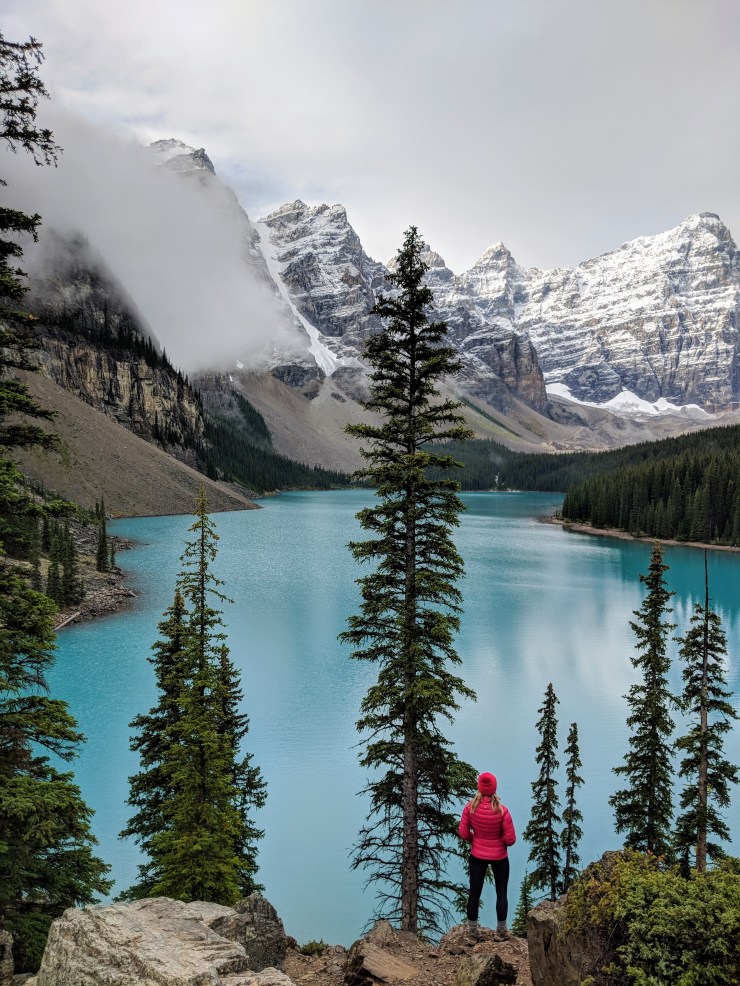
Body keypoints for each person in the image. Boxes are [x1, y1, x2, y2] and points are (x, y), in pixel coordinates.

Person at [458, 771, 516, 940]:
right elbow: (511, 839)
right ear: (494, 788)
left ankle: (473, 933)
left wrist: (474, 840)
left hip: (477, 855)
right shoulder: (502, 811)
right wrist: (500, 841)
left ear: (479, 787)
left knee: (474, 894)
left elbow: (463, 832)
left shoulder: (470, 808)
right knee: (502, 893)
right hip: (499, 858)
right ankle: (501, 931)